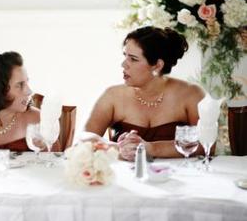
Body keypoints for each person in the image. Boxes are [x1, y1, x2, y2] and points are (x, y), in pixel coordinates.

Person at [84, 26, 205, 160]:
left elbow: (205, 145)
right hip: (123, 178)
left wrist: (152, 148)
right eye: (125, 56)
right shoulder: (113, 95)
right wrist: (119, 149)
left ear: (157, 65)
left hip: (177, 177)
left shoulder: (190, 94)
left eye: (133, 59)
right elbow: (83, 139)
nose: (124, 64)